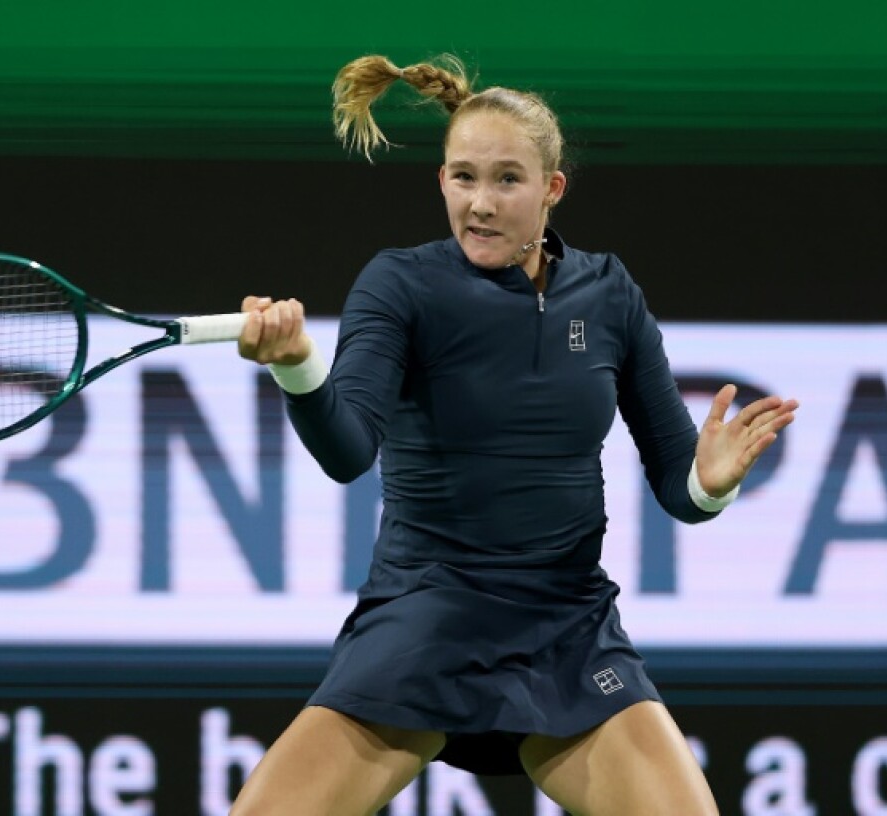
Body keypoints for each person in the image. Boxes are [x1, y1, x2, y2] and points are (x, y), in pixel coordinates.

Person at [233, 54, 798, 816]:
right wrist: (299, 367)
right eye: (462, 177)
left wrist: (709, 483)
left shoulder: (608, 293)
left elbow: (678, 486)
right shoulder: (400, 284)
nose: (480, 203)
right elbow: (346, 451)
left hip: (567, 625)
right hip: (426, 618)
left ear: (551, 189)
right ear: (440, 182)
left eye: (506, 179)